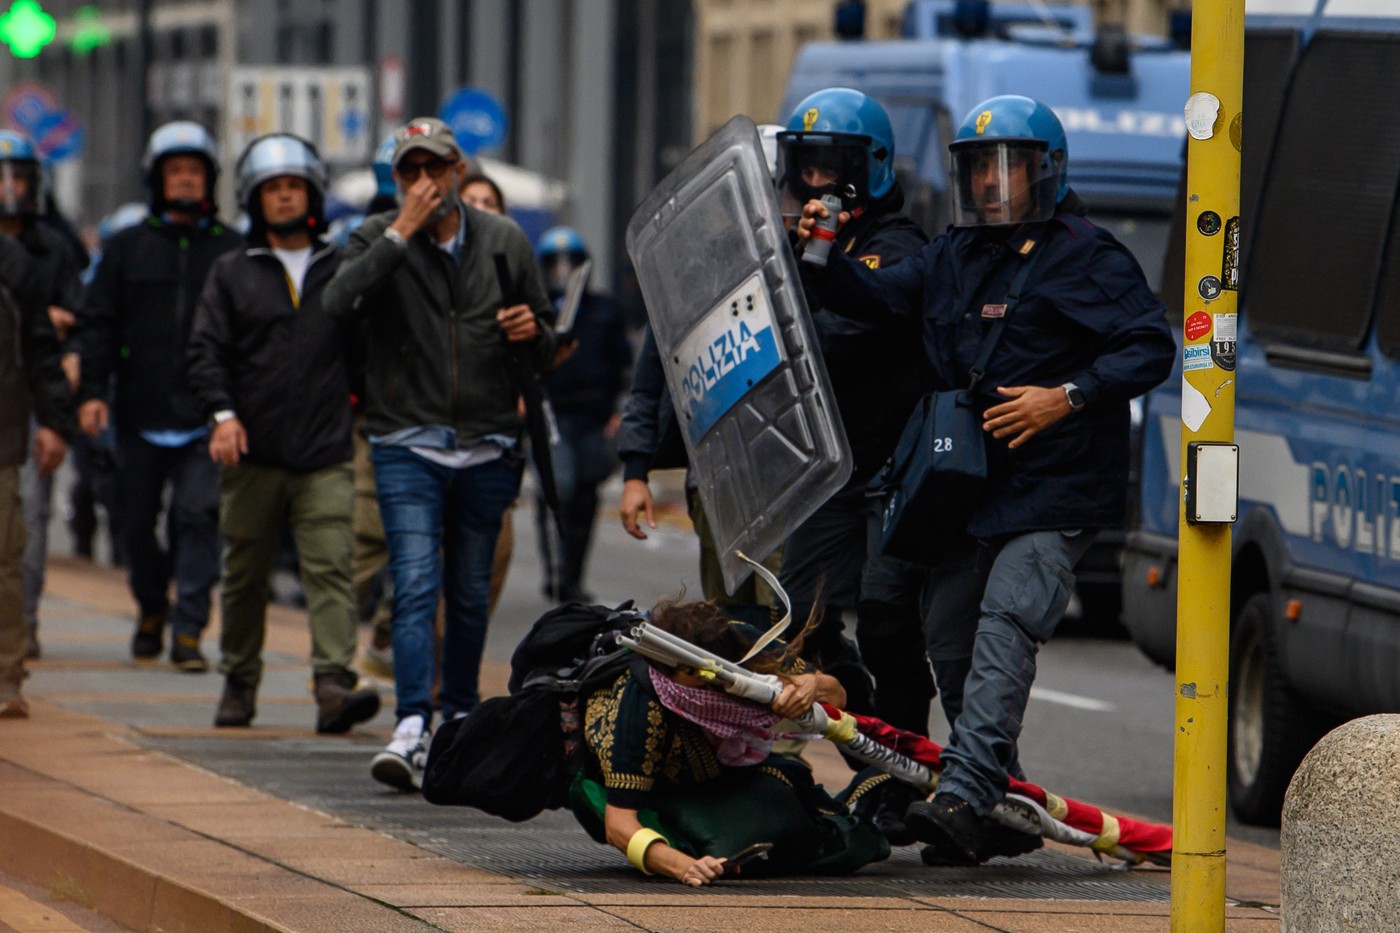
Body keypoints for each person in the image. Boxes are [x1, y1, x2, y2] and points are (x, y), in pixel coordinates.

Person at [796, 95, 1175, 863]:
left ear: (1049, 171)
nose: (993, 184)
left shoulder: (1087, 254)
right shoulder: (951, 253)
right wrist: (822, 256)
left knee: (1007, 617)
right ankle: (1001, 803)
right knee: (949, 634)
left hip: (1056, 485)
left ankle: (967, 798)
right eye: (978, 169)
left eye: (1010, 167)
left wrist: (1064, 398)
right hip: (970, 486)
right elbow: (876, 301)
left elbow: (1149, 348)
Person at [321, 117, 556, 790]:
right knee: (417, 583)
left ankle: (458, 717)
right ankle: (412, 721)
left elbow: (546, 347)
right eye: (410, 172)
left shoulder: (505, 241)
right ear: (396, 180)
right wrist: (399, 232)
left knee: (471, 593)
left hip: (486, 442)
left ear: (459, 172)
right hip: (406, 441)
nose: (425, 182)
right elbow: (338, 301)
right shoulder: (376, 237)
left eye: (436, 168)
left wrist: (530, 328)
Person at [186, 133, 381, 733]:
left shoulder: (342, 268)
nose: (284, 197)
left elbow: (367, 355)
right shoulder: (231, 273)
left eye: (294, 186)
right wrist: (222, 415)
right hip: (251, 454)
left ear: (313, 193)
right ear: (253, 198)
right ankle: (239, 681)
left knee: (330, 568)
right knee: (244, 573)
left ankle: (332, 686)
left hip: (325, 453)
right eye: (272, 189)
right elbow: (205, 353)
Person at [771, 89, 937, 740]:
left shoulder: (896, 244)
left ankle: (902, 768)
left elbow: (847, 324)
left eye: (831, 166)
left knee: (887, 622)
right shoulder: (798, 243)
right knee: (797, 613)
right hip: (827, 466)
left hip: (888, 469)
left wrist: (823, 259)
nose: (817, 181)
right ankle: (853, 728)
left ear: (868, 166)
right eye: (806, 166)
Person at [570, 597, 889, 883]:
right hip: (653, 790)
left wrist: (812, 685)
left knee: (814, 827)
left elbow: (839, 695)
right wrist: (681, 866)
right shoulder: (639, 709)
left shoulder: (744, 645)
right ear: (669, 672)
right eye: (703, 680)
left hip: (722, 769)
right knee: (727, 845)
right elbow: (619, 824)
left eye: (725, 672)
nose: (719, 687)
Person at [78, 121, 243, 671]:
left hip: (207, 416)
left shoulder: (233, 249)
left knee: (199, 516)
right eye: (175, 172)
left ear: (210, 180)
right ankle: (152, 606)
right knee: (133, 522)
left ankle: (189, 630)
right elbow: (97, 325)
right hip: (139, 412)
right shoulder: (125, 249)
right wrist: (94, 393)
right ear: (157, 179)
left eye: (195, 172)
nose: (185, 182)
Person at [0, 132, 84, 661]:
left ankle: (18, 633)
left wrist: (58, 416)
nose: (9, 189)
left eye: (19, 177)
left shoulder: (55, 247)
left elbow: (61, 329)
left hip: (22, 404)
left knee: (24, 525)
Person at [533, 226, 631, 604]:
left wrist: (620, 409)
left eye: (570, 262)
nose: (562, 270)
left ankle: (572, 574)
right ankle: (557, 575)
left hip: (595, 418)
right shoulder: (537, 308)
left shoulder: (604, 309)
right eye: (554, 263)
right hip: (552, 417)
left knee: (586, 497)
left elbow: (623, 363)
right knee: (559, 489)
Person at [0, 226, 71, 717]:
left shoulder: (11, 261)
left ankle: (5, 675)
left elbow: (40, 347)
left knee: (6, 558)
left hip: (2, 435)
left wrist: (52, 421)